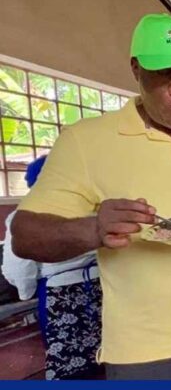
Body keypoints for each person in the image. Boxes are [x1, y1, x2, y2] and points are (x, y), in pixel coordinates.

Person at [10, 14, 171, 380]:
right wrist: (94, 229)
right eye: (164, 73)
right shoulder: (86, 141)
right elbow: (25, 235)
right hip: (145, 350)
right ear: (136, 69)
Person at [2, 156, 102, 380]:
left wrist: (26, 292)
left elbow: (19, 264)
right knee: (106, 356)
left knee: (70, 365)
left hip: (60, 294)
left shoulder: (24, 217)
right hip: (103, 286)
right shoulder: (94, 210)